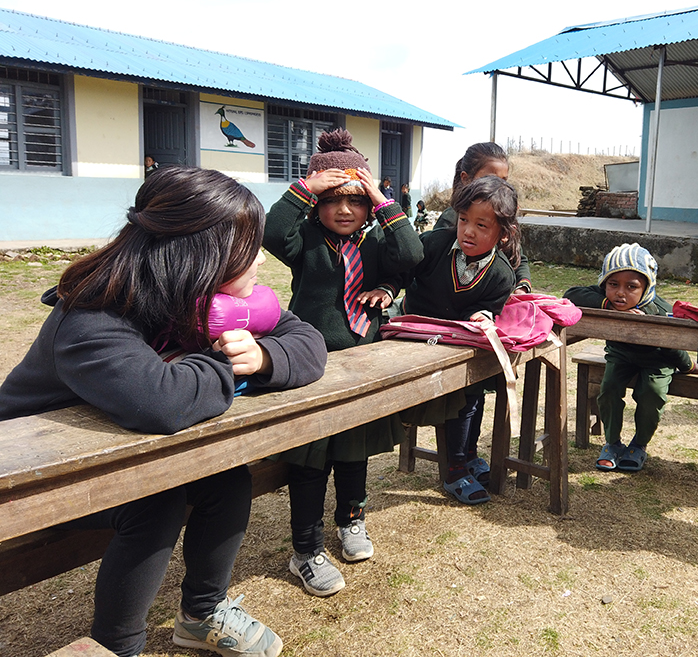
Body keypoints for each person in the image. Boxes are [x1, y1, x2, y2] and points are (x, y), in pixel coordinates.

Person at [0, 166, 327, 657]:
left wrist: (263, 356)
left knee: (225, 477)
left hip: (119, 454)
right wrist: (226, 360)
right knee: (155, 500)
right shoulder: (92, 315)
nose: (260, 258)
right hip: (32, 480)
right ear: (201, 254)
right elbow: (162, 401)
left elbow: (309, 342)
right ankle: (116, 647)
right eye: (246, 247)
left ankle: (201, 614)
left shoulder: (198, 297)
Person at [263, 128, 422, 598]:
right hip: (313, 367)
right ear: (316, 203)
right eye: (332, 200)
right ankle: (305, 549)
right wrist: (305, 187)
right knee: (310, 462)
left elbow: (410, 256)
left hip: (361, 364)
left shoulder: (374, 242)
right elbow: (272, 232)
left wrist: (387, 285)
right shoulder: (305, 241)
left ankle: (352, 520)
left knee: (355, 451)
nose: (345, 209)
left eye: (356, 200)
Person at [401, 176, 520, 505]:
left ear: (503, 233)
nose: (468, 231)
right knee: (463, 396)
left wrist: (484, 314)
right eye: (464, 220)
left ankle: (467, 455)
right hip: (414, 337)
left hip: (458, 346)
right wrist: (386, 289)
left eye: (481, 225)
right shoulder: (435, 244)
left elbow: (488, 307)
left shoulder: (501, 275)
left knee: (475, 389)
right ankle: (454, 470)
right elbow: (401, 270)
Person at [565, 243, 698, 472]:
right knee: (608, 390)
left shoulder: (660, 310)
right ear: (604, 283)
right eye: (613, 284)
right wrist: (608, 306)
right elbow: (571, 295)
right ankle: (613, 443)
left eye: (631, 287)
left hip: (658, 359)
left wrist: (689, 366)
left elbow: (672, 346)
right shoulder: (608, 299)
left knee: (651, 394)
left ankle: (639, 444)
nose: (620, 293)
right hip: (620, 355)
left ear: (647, 287)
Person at [433, 142, 532, 294]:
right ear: (466, 179)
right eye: (490, 178)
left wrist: (522, 287)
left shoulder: (500, 219)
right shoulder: (450, 220)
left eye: (503, 181)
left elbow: (517, 257)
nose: (497, 186)